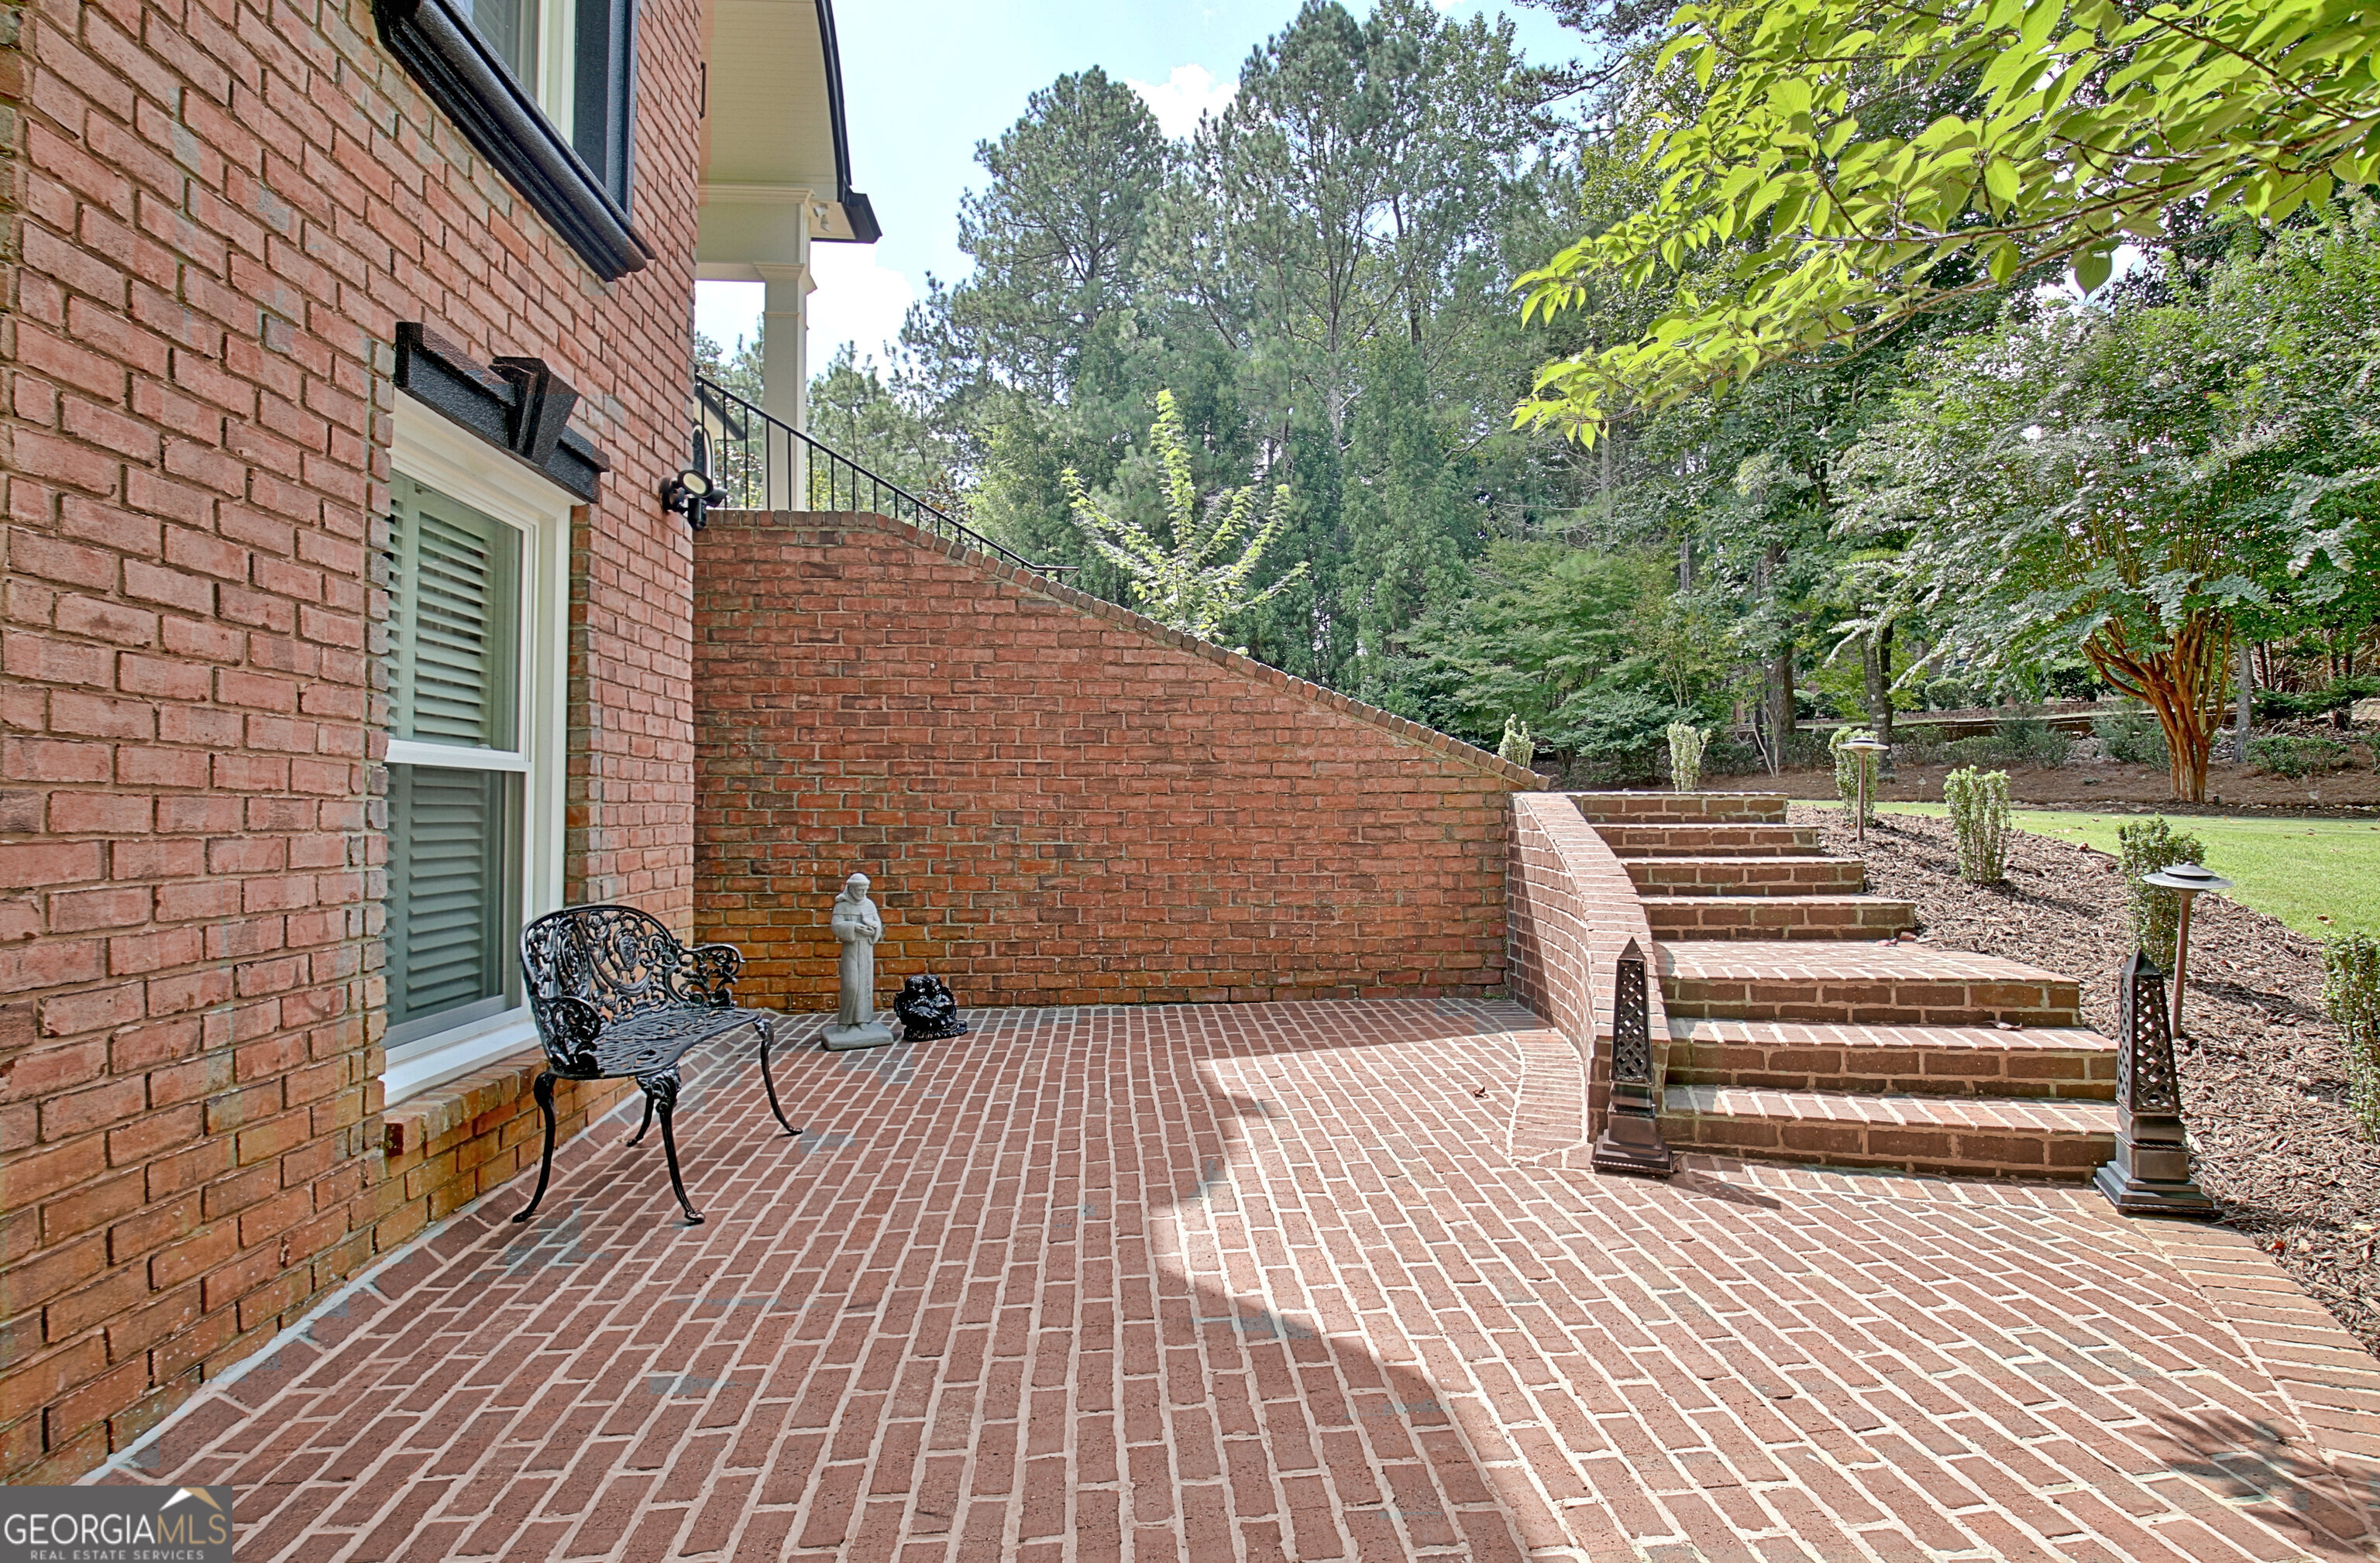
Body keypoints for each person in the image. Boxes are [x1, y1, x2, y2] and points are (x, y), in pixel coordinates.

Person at [831, 873, 882, 1027]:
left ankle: (863, 1019)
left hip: (866, 948)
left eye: (865, 890)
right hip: (851, 949)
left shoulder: (869, 904)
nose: (863, 893)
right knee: (851, 985)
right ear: (852, 889)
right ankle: (845, 1021)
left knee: (865, 985)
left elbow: (877, 923)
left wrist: (873, 930)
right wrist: (854, 927)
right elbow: (836, 926)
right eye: (860, 890)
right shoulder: (842, 905)